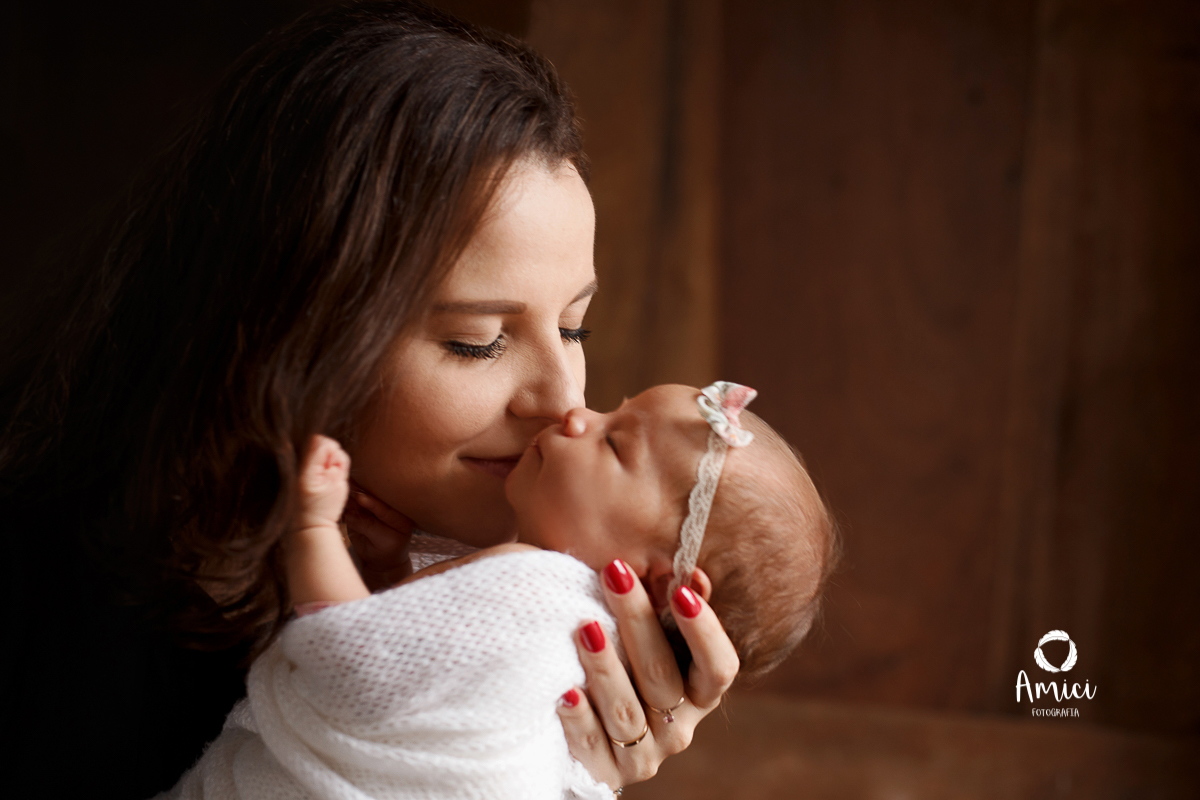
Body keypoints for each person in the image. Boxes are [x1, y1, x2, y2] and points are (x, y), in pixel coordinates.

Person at [0, 3, 738, 797]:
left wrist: (536, 760)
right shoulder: (68, 618)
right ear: (297, 323)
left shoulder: (517, 622)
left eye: (575, 328)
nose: (565, 402)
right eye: (479, 340)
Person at [165, 382, 836, 799]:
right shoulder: (553, 617)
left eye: (614, 444)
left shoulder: (541, 595)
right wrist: (388, 571)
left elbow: (361, 666)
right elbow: (430, 692)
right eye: (613, 408)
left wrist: (308, 529)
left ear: (660, 579)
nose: (578, 415)